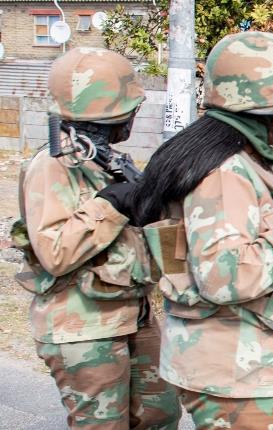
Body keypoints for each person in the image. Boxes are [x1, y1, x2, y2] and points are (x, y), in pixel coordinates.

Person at [130, 32, 273, 429]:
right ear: (271, 105)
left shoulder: (250, 163)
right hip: (236, 375)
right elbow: (224, 275)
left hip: (262, 365)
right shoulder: (224, 172)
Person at [12, 47, 181, 429]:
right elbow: (55, 252)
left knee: (161, 413)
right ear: (112, 113)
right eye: (130, 110)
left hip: (131, 313)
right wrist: (109, 204)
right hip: (82, 328)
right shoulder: (52, 166)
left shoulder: (105, 160)